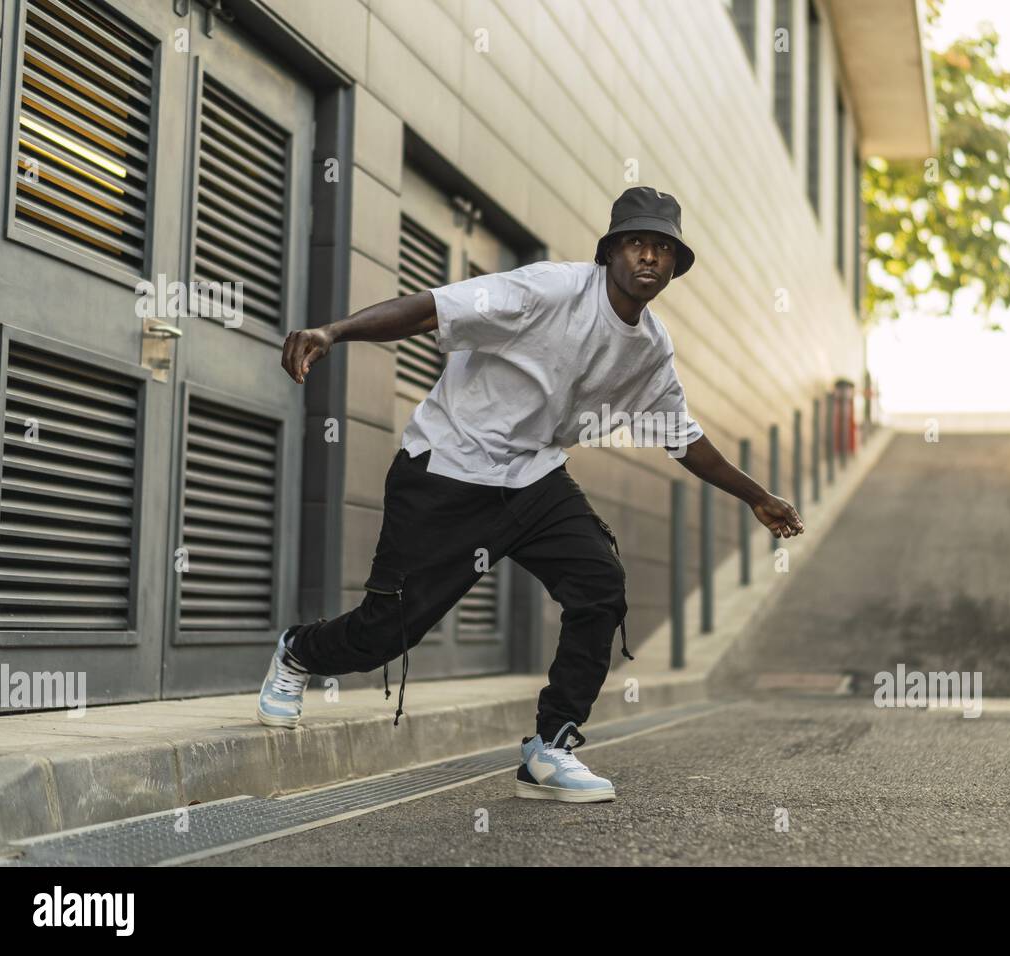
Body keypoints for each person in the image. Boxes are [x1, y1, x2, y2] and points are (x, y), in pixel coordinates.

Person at [257, 186, 805, 802]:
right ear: (610, 253)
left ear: (675, 265)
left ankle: (551, 747)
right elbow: (432, 310)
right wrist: (335, 331)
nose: (649, 258)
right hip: (446, 466)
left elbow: (682, 438)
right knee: (387, 633)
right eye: (637, 244)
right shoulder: (547, 290)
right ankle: (299, 652)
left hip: (532, 479)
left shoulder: (652, 349)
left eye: (663, 250)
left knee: (600, 583)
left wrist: (757, 496)